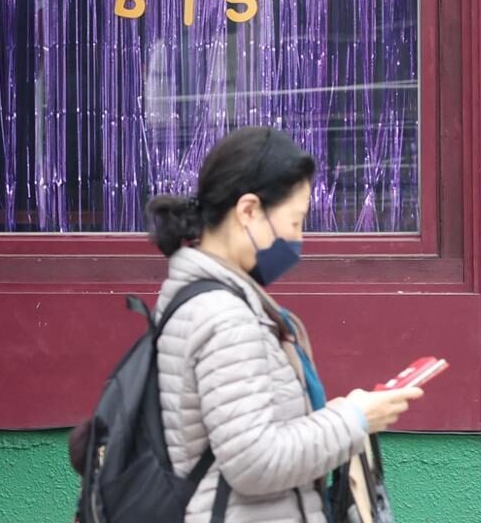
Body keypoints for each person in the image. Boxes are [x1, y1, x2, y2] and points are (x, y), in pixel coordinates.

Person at [142, 127, 419, 523]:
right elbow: (254, 462)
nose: (298, 239)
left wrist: (331, 416)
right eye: (295, 221)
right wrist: (355, 419)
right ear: (249, 211)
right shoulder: (224, 316)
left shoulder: (197, 298)